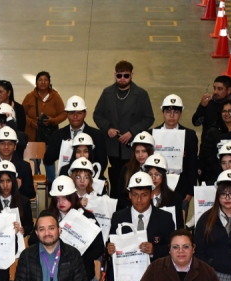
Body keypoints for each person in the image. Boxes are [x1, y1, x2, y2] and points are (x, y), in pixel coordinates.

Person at [39, 176, 106, 281]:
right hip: (53, 278)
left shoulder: (87, 218)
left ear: (73, 196)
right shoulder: (48, 217)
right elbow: (34, 243)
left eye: (65, 197)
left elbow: (99, 248)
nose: (61, 202)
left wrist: (78, 256)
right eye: (57, 198)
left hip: (81, 276)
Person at [93, 61, 155, 197]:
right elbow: (97, 114)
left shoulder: (141, 94)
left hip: (132, 148)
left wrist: (132, 132)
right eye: (119, 75)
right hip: (113, 147)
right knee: (115, 182)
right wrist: (107, 127)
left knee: (131, 180)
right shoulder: (107, 93)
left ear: (132, 75)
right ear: (115, 75)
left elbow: (149, 118)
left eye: (126, 75)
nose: (122, 79)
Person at [45, 96, 107, 184]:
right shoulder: (58, 134)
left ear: (85, 114)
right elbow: (47, 160)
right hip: (65, 178)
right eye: (71, 113)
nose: (75, 116)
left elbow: (102, 163)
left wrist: (85, 175)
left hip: (91, 179)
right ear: (66, 114)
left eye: (79, 113)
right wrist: (62, 146)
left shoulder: (97, 135)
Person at [149, 94, 198, 203]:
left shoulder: (189, 135)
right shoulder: (151, 134)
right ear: (162, 113)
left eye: (176, 112)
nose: (171, 115)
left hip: (181, 187)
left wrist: (190, 191)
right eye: (168, 112)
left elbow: (192, 164)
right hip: (155, 185)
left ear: (180, 114)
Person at [0, 127, 36, 199]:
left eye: (10, 144)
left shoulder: (24, 166)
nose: (6, 147)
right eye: (2, 143)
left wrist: (18, 187)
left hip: (17, 205)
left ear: (15, 146)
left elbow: (31, 193)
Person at [192, 75, 231, 142]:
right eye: (214, 88)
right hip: (208, 146)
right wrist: (202, 106)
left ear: (229, 90)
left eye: (220, 89)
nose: (215, 92)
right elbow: (196, 123)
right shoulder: (208, 102)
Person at [22, 71, 67, 143]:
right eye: (40, 80)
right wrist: (30, 122)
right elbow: (21, 114)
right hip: (32, 138)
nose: (43, 82)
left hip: (50, 137)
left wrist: (53, 120)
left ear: (49, 82)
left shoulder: (55, 96)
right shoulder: (29, 97)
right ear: (36, 83)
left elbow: (64, 114)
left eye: (45, 80)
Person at [198, 101, 231, 184]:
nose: (227, 114)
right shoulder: (213, 132)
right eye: (224, 111)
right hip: (216, 177)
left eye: (230, 111)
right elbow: (205, 157)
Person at [142, 154, 184, 227]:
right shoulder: (140, 198)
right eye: (150, 174)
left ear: (164, 176)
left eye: (157, 174)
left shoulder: (175, 198)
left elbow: (179, 227)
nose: (153, 178)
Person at [116, 132, 155, 209]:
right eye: (137, 152)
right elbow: (120, 195)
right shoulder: (127, 169)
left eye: (144, 151)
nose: (140, 155)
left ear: (150, 151)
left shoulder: (156, 171)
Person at [0, 161, 33, 237]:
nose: (5, 185)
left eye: (8, 181)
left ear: (14, 182)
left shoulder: (24, 201)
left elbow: (30, 225)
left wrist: (24, 230)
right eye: (2, 181)